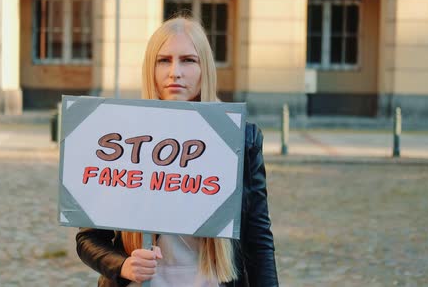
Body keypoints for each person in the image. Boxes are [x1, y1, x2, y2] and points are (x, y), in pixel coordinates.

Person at [76, 17, 278, 287]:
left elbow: (258, 239)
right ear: (151, 68)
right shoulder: (122, 136)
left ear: (204, 67)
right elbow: (88, 238)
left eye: (188, 60)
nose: (175, 72)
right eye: (164, 60)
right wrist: (123, 265)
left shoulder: (240, 138)